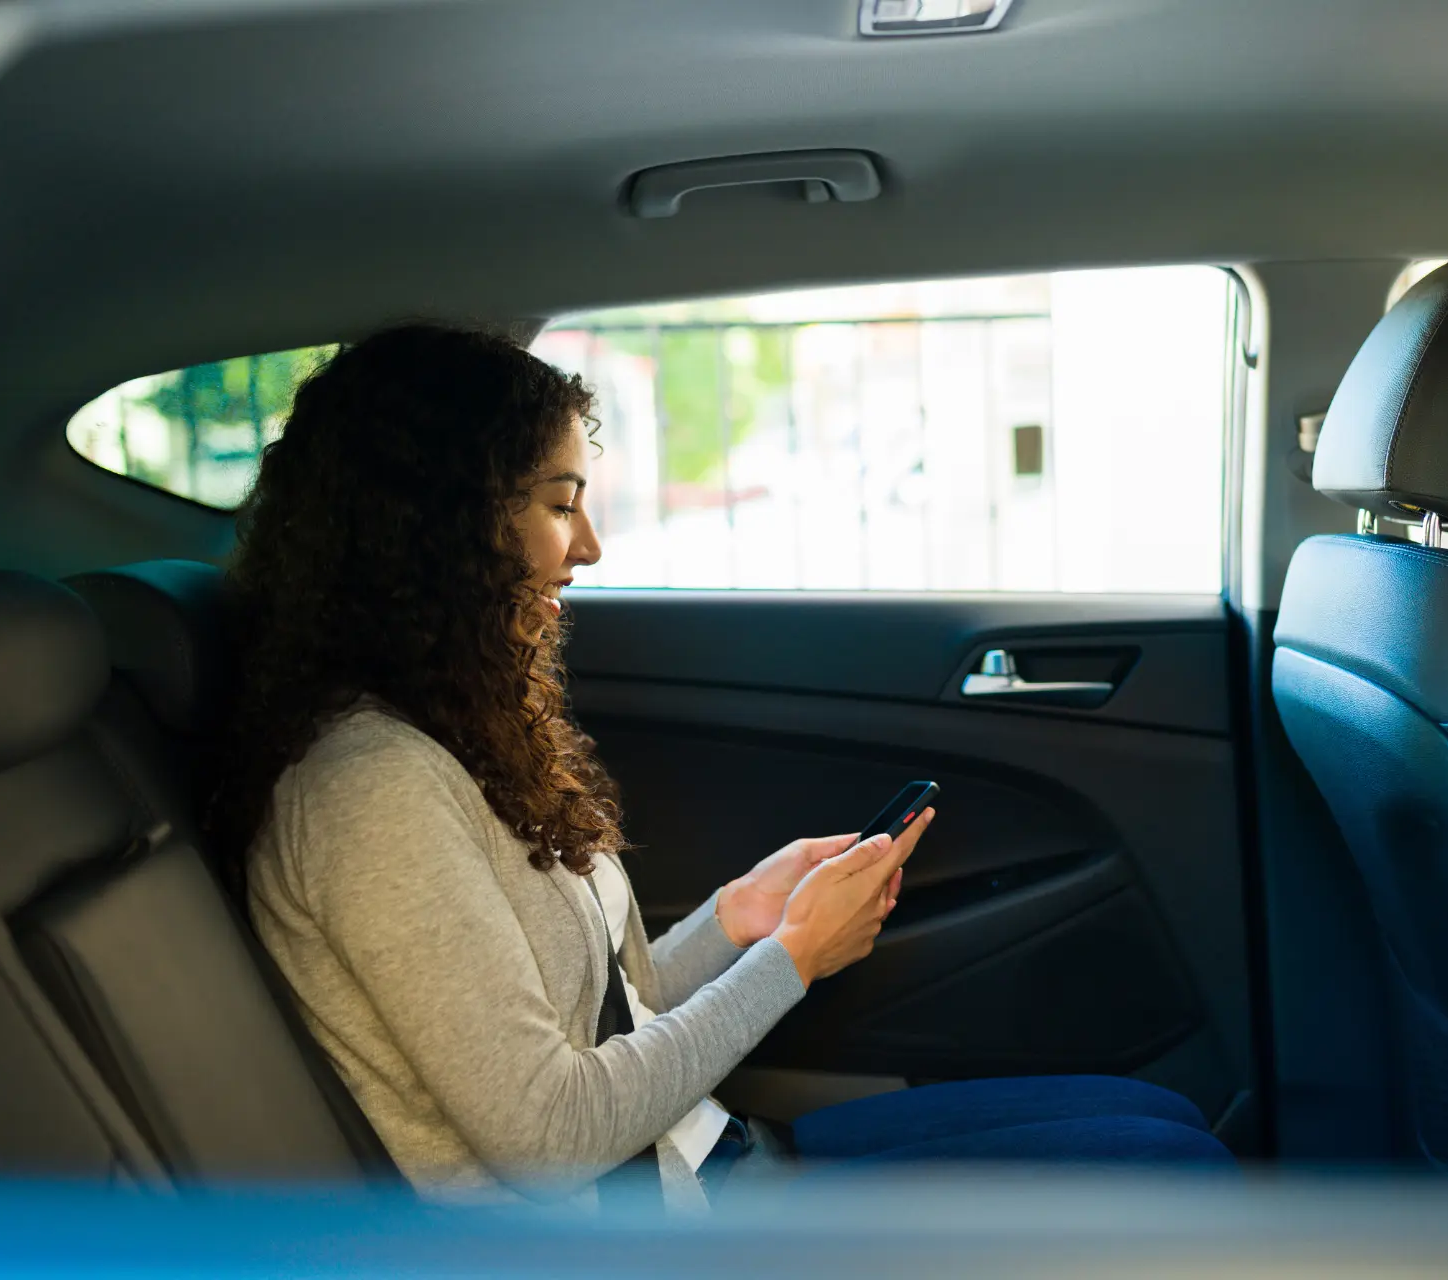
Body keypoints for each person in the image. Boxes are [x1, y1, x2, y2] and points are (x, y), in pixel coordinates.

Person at [212, 323, 1227, 1214]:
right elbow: (549, 1135)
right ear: (445, 526)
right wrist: (788, 959)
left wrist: (737, 916)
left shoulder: (452, 738)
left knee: (1160, 1118)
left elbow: (600, 1007)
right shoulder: (370, 791)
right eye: (562, 503)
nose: (592, 545)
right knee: (1171, 1168)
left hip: (705, 1163)